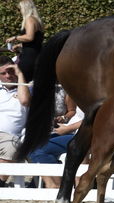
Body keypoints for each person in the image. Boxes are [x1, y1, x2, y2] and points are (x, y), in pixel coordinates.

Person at [28, 107, 84, 188]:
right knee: (33, 147)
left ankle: (54, 184)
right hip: (72, 131)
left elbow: (94, 118)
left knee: (38, 149)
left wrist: (68, 128)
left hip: (81, 135)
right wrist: (64, 120)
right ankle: (54, 183)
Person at [0, 55, 31, 187]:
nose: (8, 76)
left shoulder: (26, 88)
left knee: (11, 147)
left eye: (11, 71)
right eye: (3, 73)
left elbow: (24, 101)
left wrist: (20, 75)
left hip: (10, 136)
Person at [5, 0, 43, 83]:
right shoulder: (37, 21)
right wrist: (19, 45)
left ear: (25, 8)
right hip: (37, 56)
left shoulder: (29, 20)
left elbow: (30, 37)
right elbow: (35, 42)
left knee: (21, 82)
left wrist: (15, 37)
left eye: (20, 9)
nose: (19, 11)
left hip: (29, 58)